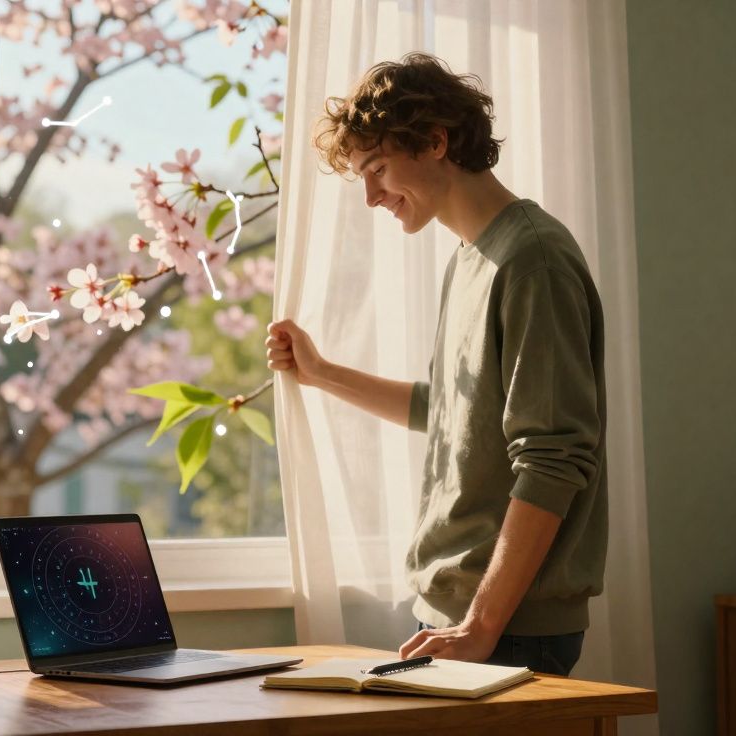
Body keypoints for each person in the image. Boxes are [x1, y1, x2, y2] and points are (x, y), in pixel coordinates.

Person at [266, 52, 606, 677]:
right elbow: (447, 412)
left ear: (435, 141)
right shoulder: (472, 258)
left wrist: (479, 627)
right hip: (456, 618)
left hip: (505, 629)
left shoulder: (533, 261)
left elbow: (554, 459)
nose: (370, 196)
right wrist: (320, 373)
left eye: (377, 169)